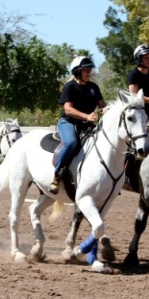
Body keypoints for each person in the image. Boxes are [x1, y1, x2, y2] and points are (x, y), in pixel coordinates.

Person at [50, 56, 106, 195]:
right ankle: (57, 174)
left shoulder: (94, 87)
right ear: (77, 72)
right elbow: (68, 109)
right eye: (86, 70)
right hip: (68, 122)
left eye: (90, 70)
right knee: (71, 142)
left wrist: (107, 110)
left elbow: (102, 105)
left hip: (87, 125)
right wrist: (87, 116)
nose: (89, 72)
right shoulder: (69, 87)